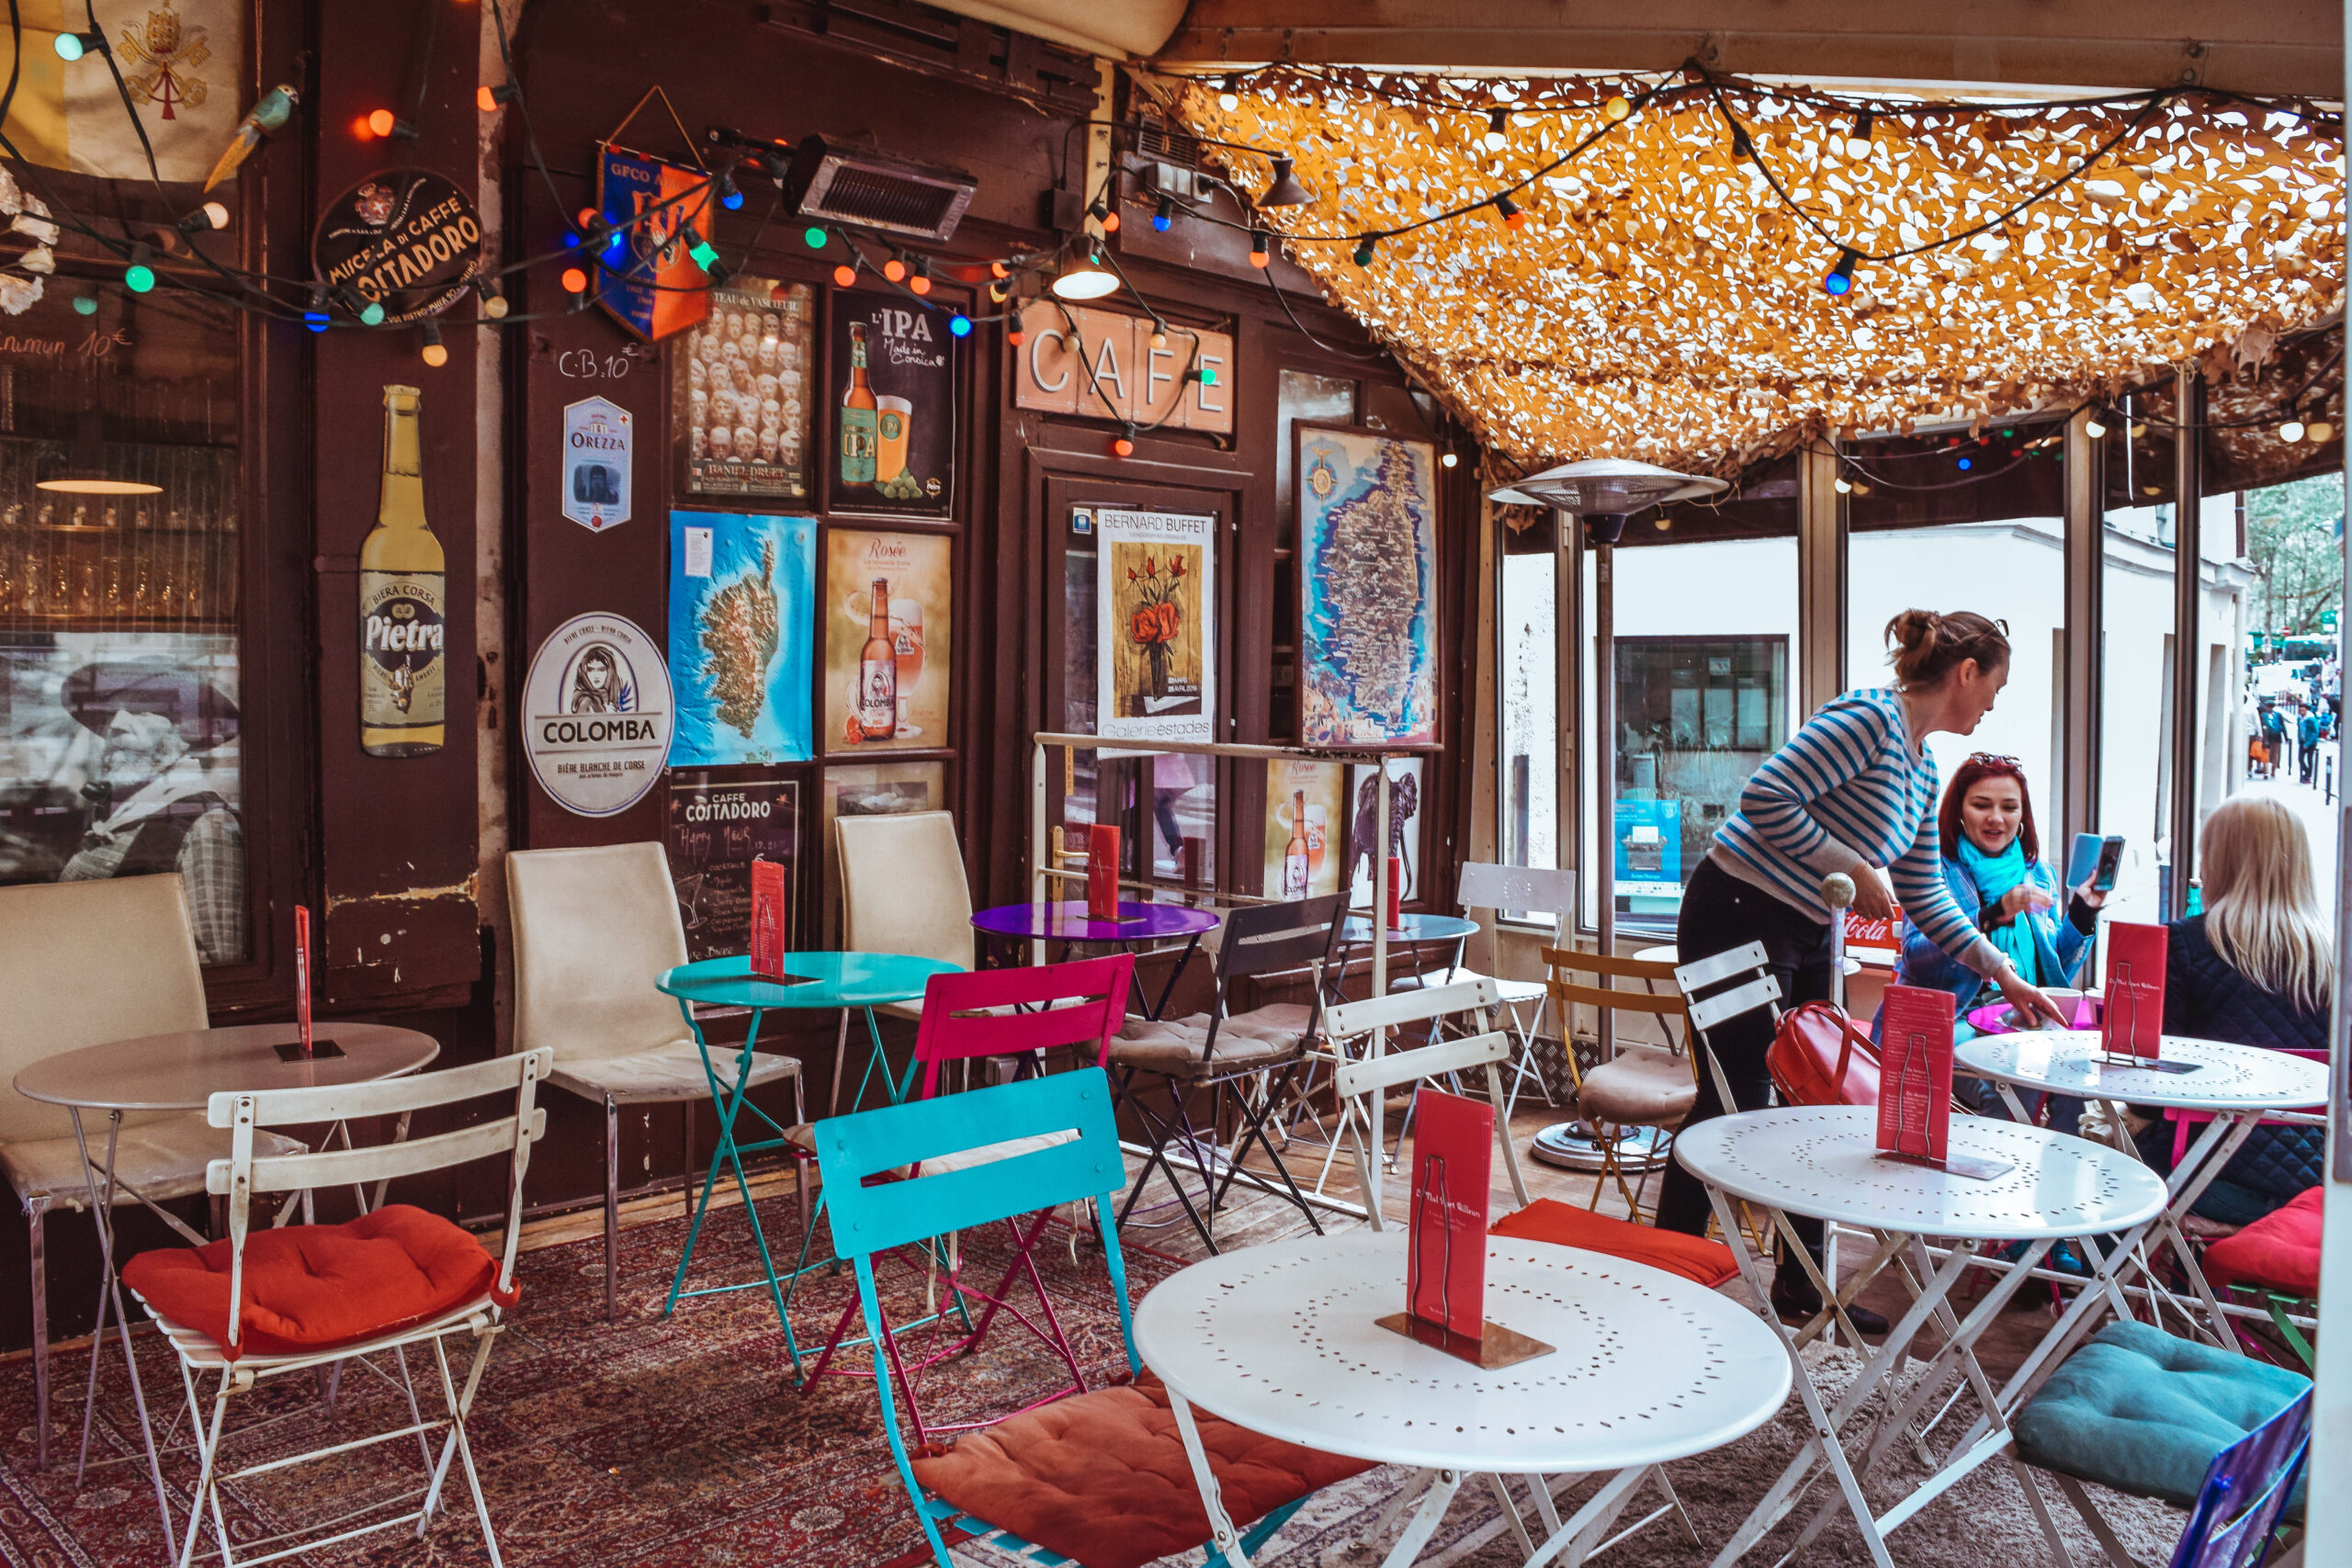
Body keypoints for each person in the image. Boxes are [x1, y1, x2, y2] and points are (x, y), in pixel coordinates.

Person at [1655, 610, 2064, 1329]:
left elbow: (1924, 891)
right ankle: (1663, 1272)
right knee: (1733, 1097)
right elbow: (1763, 797)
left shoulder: (1922, 765)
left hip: (1811, 922)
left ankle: (1803, 1283)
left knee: (1813, 1101)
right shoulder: (1869, 719)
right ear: (1966, 673)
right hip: (1736, 907)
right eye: (1994, 687)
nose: (1994, 703)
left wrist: (2002, 971)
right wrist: (1850, 864)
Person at [2132, 795, 2331, 1231]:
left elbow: (2145, 1094)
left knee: (2114, 1164)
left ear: (2221, 862)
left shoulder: (2183, 945)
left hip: (2205, 1178)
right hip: (2317, 1191)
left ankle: (2104, 1275)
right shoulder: (2336, 959)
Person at [1881, 753, 2103, 1141]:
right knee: (2017, 1073)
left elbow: (2054, 970)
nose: (1996, 818)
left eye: (2009, 807)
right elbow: (1916, 953)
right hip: (1953, 1020)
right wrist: (1991, 916)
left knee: (2077, 1072)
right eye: (1982, 805)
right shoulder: (1935, 869)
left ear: (2022, 815)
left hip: (2022, 1018)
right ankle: (1997, 1170)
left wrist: (2084, 912)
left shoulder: (2039, 873)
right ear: (1959, 811)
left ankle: (2059, 1167)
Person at [55, 661, 244, 965]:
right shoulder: (118, 811)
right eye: (110, 713)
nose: (116, 724)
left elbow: (215, 963)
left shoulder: (206, 823)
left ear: (185, 731)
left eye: (140, 711)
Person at [2297, 707, 2320, 784]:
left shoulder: (2311, 719)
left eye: (2303, 710)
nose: (2301, 712)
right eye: (2300, 710)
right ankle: (2306, 773)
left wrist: (2307, 743)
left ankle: (2308, 776)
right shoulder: (2299, 718)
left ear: (2306, 710)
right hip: (2302, 741)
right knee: (2300, 759)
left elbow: (2315, 732)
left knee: (2309, 759)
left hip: (2311, 742)